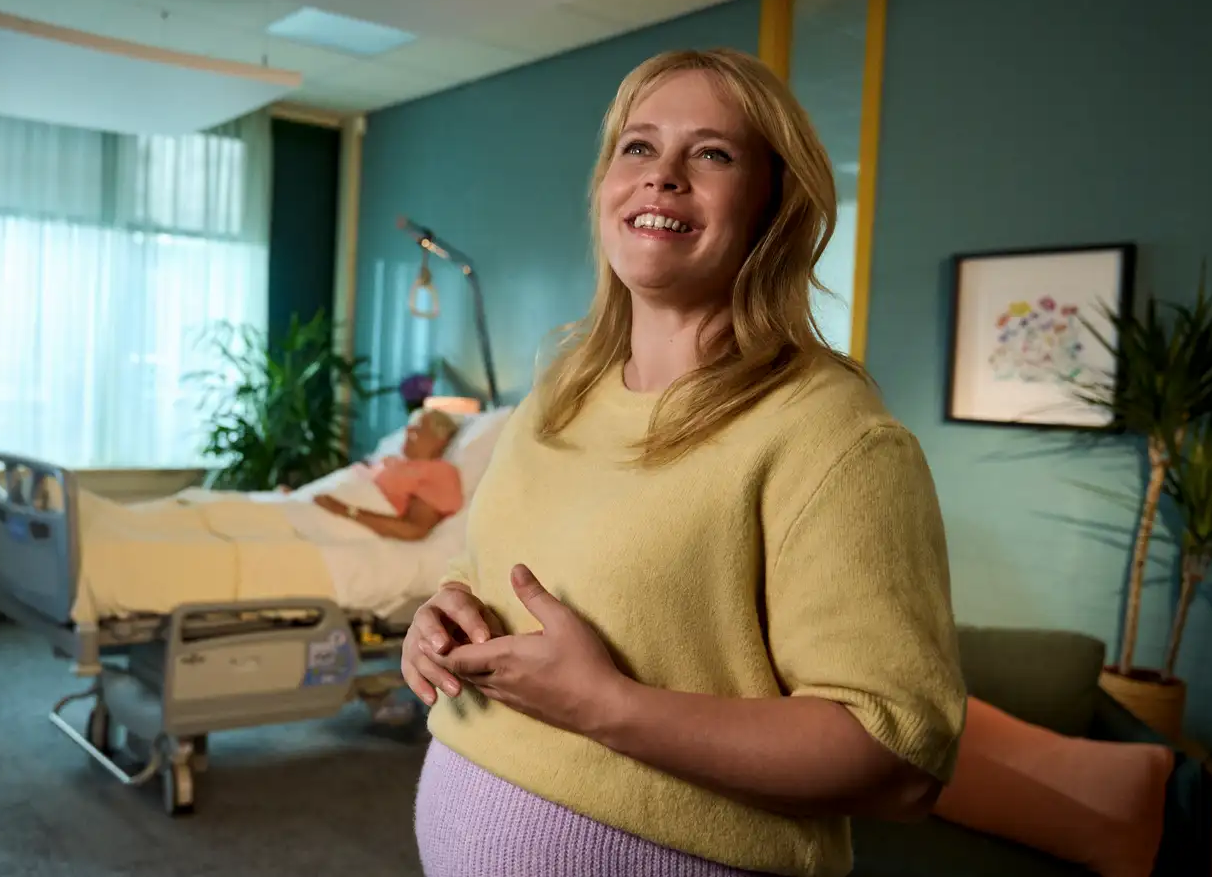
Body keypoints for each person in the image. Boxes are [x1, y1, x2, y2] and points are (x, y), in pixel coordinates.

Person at [402, 48, 968, 877]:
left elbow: (897, 758)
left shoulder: (831, 436)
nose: (662, 176)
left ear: (774, 204)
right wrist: (440, 614)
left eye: (711, 153)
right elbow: (481, 568)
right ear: (604, 187)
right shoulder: (560, 390)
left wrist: (610, 708)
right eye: (638, 146)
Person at [312, 407, 464, 541]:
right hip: (324, 502)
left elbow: (415, 529)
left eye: (418, 428)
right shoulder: (397, 462)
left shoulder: (440, 473)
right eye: (409, 427)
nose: (408, 431)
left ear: (440, 440)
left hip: (341, 517)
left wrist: (346, 511)